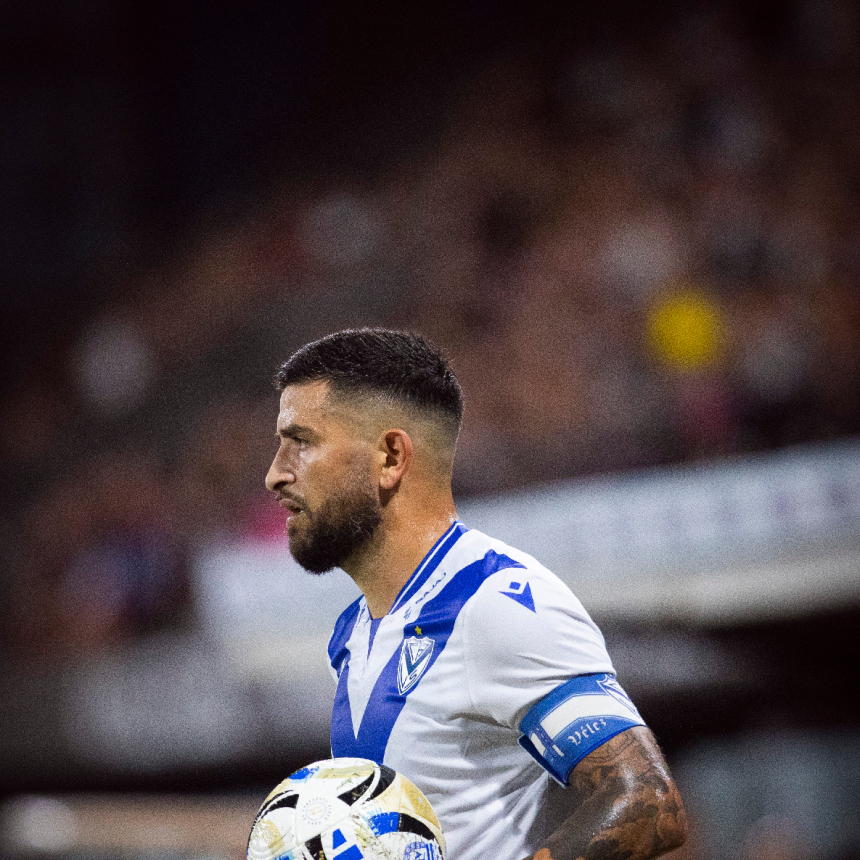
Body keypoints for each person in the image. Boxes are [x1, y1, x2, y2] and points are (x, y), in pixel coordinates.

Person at [265, 328, 686, 860]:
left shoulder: (497, 603)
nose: (274, 474)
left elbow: (646, 802)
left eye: (301, 442)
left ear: (391, 457)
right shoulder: (351, 633)